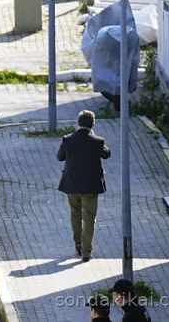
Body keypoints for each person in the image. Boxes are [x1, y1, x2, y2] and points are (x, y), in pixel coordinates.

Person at [57, 109, 111, 261]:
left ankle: (78, 245)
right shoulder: (98, 141)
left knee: (75, 213)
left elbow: (60, 157)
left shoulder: (68, 139)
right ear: (93, 124)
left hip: (71, 184)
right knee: (89, 218)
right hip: (91, 186)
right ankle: (87, 252)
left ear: (78, 123)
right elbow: (107, 154)